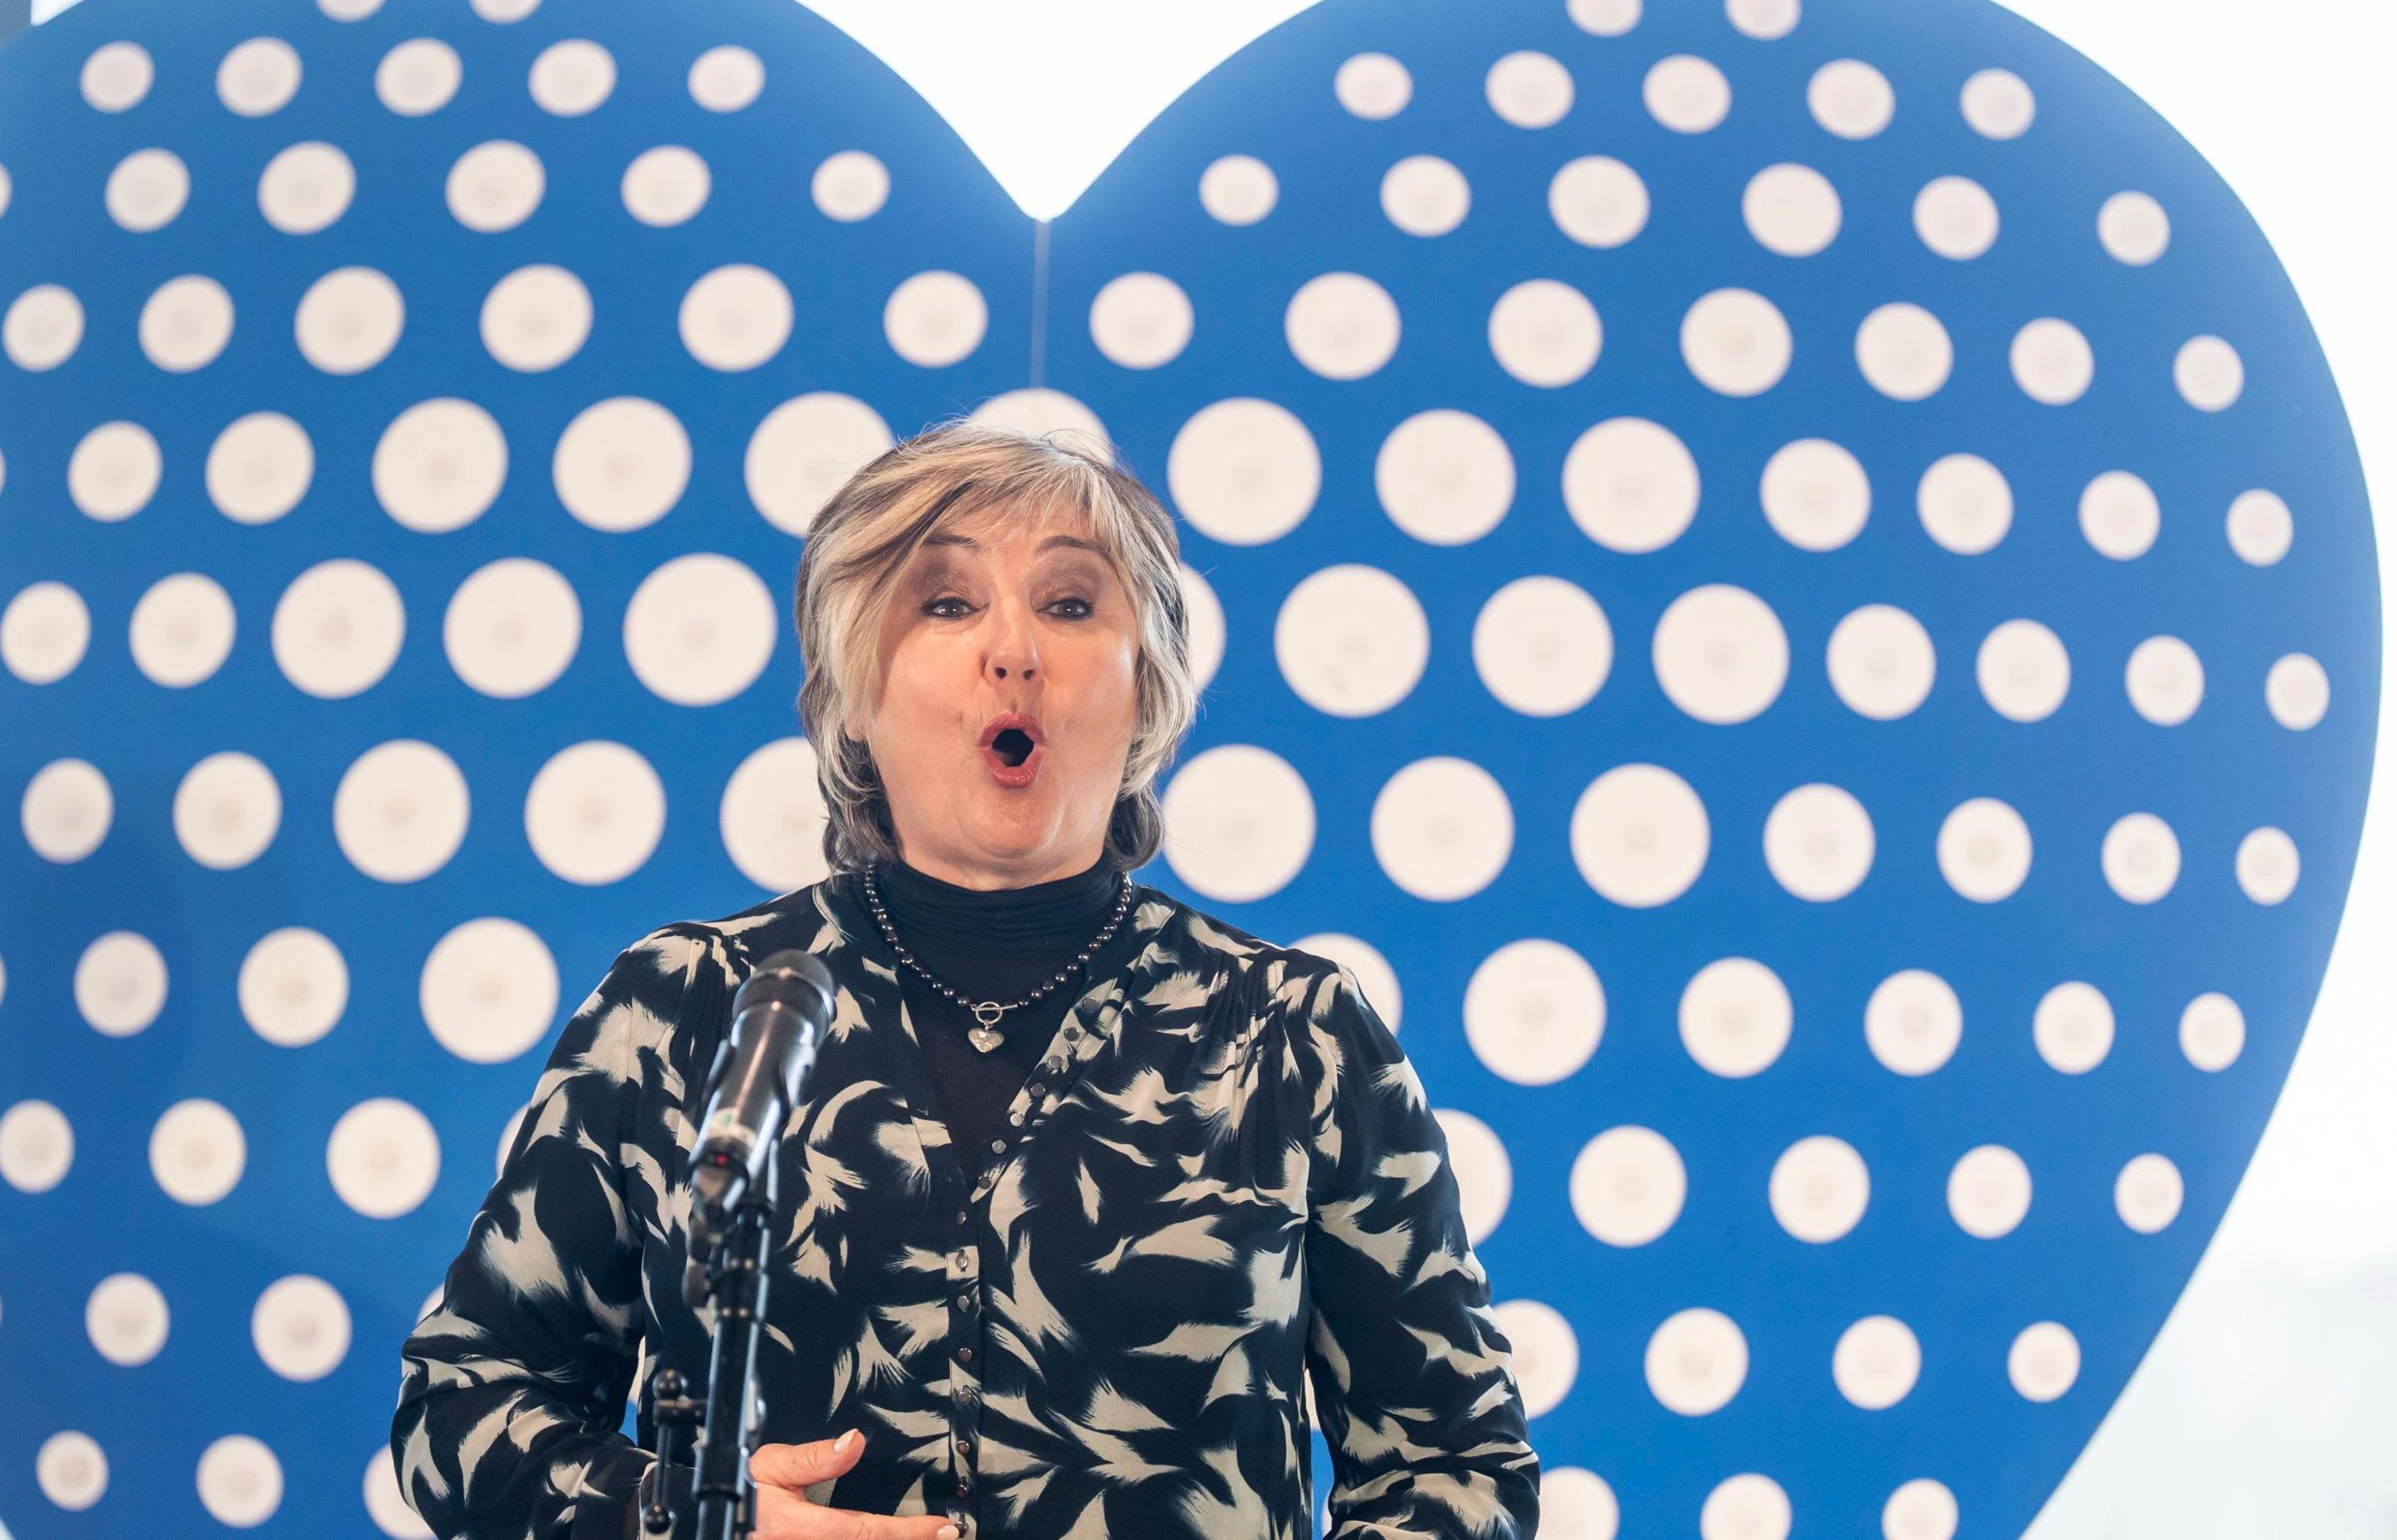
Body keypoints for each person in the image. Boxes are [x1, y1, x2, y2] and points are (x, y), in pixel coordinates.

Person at [391, 420, 1541, 1539]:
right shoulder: (687, 1007)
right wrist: (675, 1519)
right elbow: (466, 1406)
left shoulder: (1295, 1035)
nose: (1014, 650)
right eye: (946, 603)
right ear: (850, 689)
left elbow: (1457, 1469)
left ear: (1148, 688)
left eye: (1071, 603)